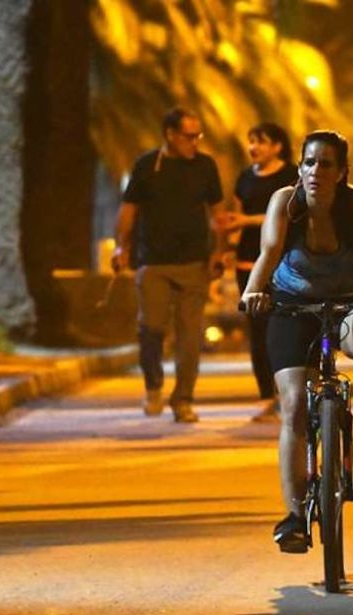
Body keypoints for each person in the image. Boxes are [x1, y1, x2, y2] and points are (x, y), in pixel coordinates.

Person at [239, 130, 353, 552]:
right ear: (299, 168)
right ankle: (296, 515)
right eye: (310, 163)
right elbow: (269, 250)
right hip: (292, 306)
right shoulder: (286, 202)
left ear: (342, 172)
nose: (317, 171)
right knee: (295, 405)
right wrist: (251, 293)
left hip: (351, 301)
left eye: (327, 164)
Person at [112, 107, 225, 423]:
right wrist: (122, 247)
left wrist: (219, 252)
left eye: (198, 135)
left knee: (190, 337)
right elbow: (128, 210)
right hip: (153, 262)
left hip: (194, 263)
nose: (195, 142)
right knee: (152, 327)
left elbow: (218, 215)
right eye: (189, 136)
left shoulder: (205, 166)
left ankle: (183, 400)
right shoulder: (147, 166)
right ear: (170, 135)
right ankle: (153, 386)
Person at [224, 123, 298, 422]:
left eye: (261, 142)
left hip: (283, 263)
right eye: (251, 141)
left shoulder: (292, 175)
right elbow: (235, 218)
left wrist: (246, 220)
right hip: (247, 264)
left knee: (285, 328)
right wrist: (225, 250)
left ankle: (289, 391)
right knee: (257, 331)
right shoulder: (244, 178)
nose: (253, 147)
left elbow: (289, 215)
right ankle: (267, 397)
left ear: (278, 146)